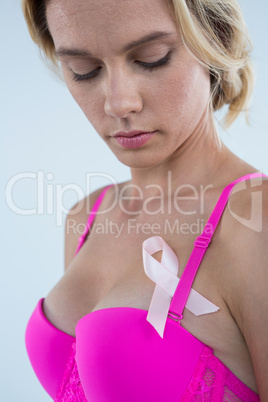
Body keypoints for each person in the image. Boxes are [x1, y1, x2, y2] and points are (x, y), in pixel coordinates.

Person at [23, 0, 268, 400]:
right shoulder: (86, 217)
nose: (119, 104)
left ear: (214, 39)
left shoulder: (256, 221)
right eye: (84, 69)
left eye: (152, 59)